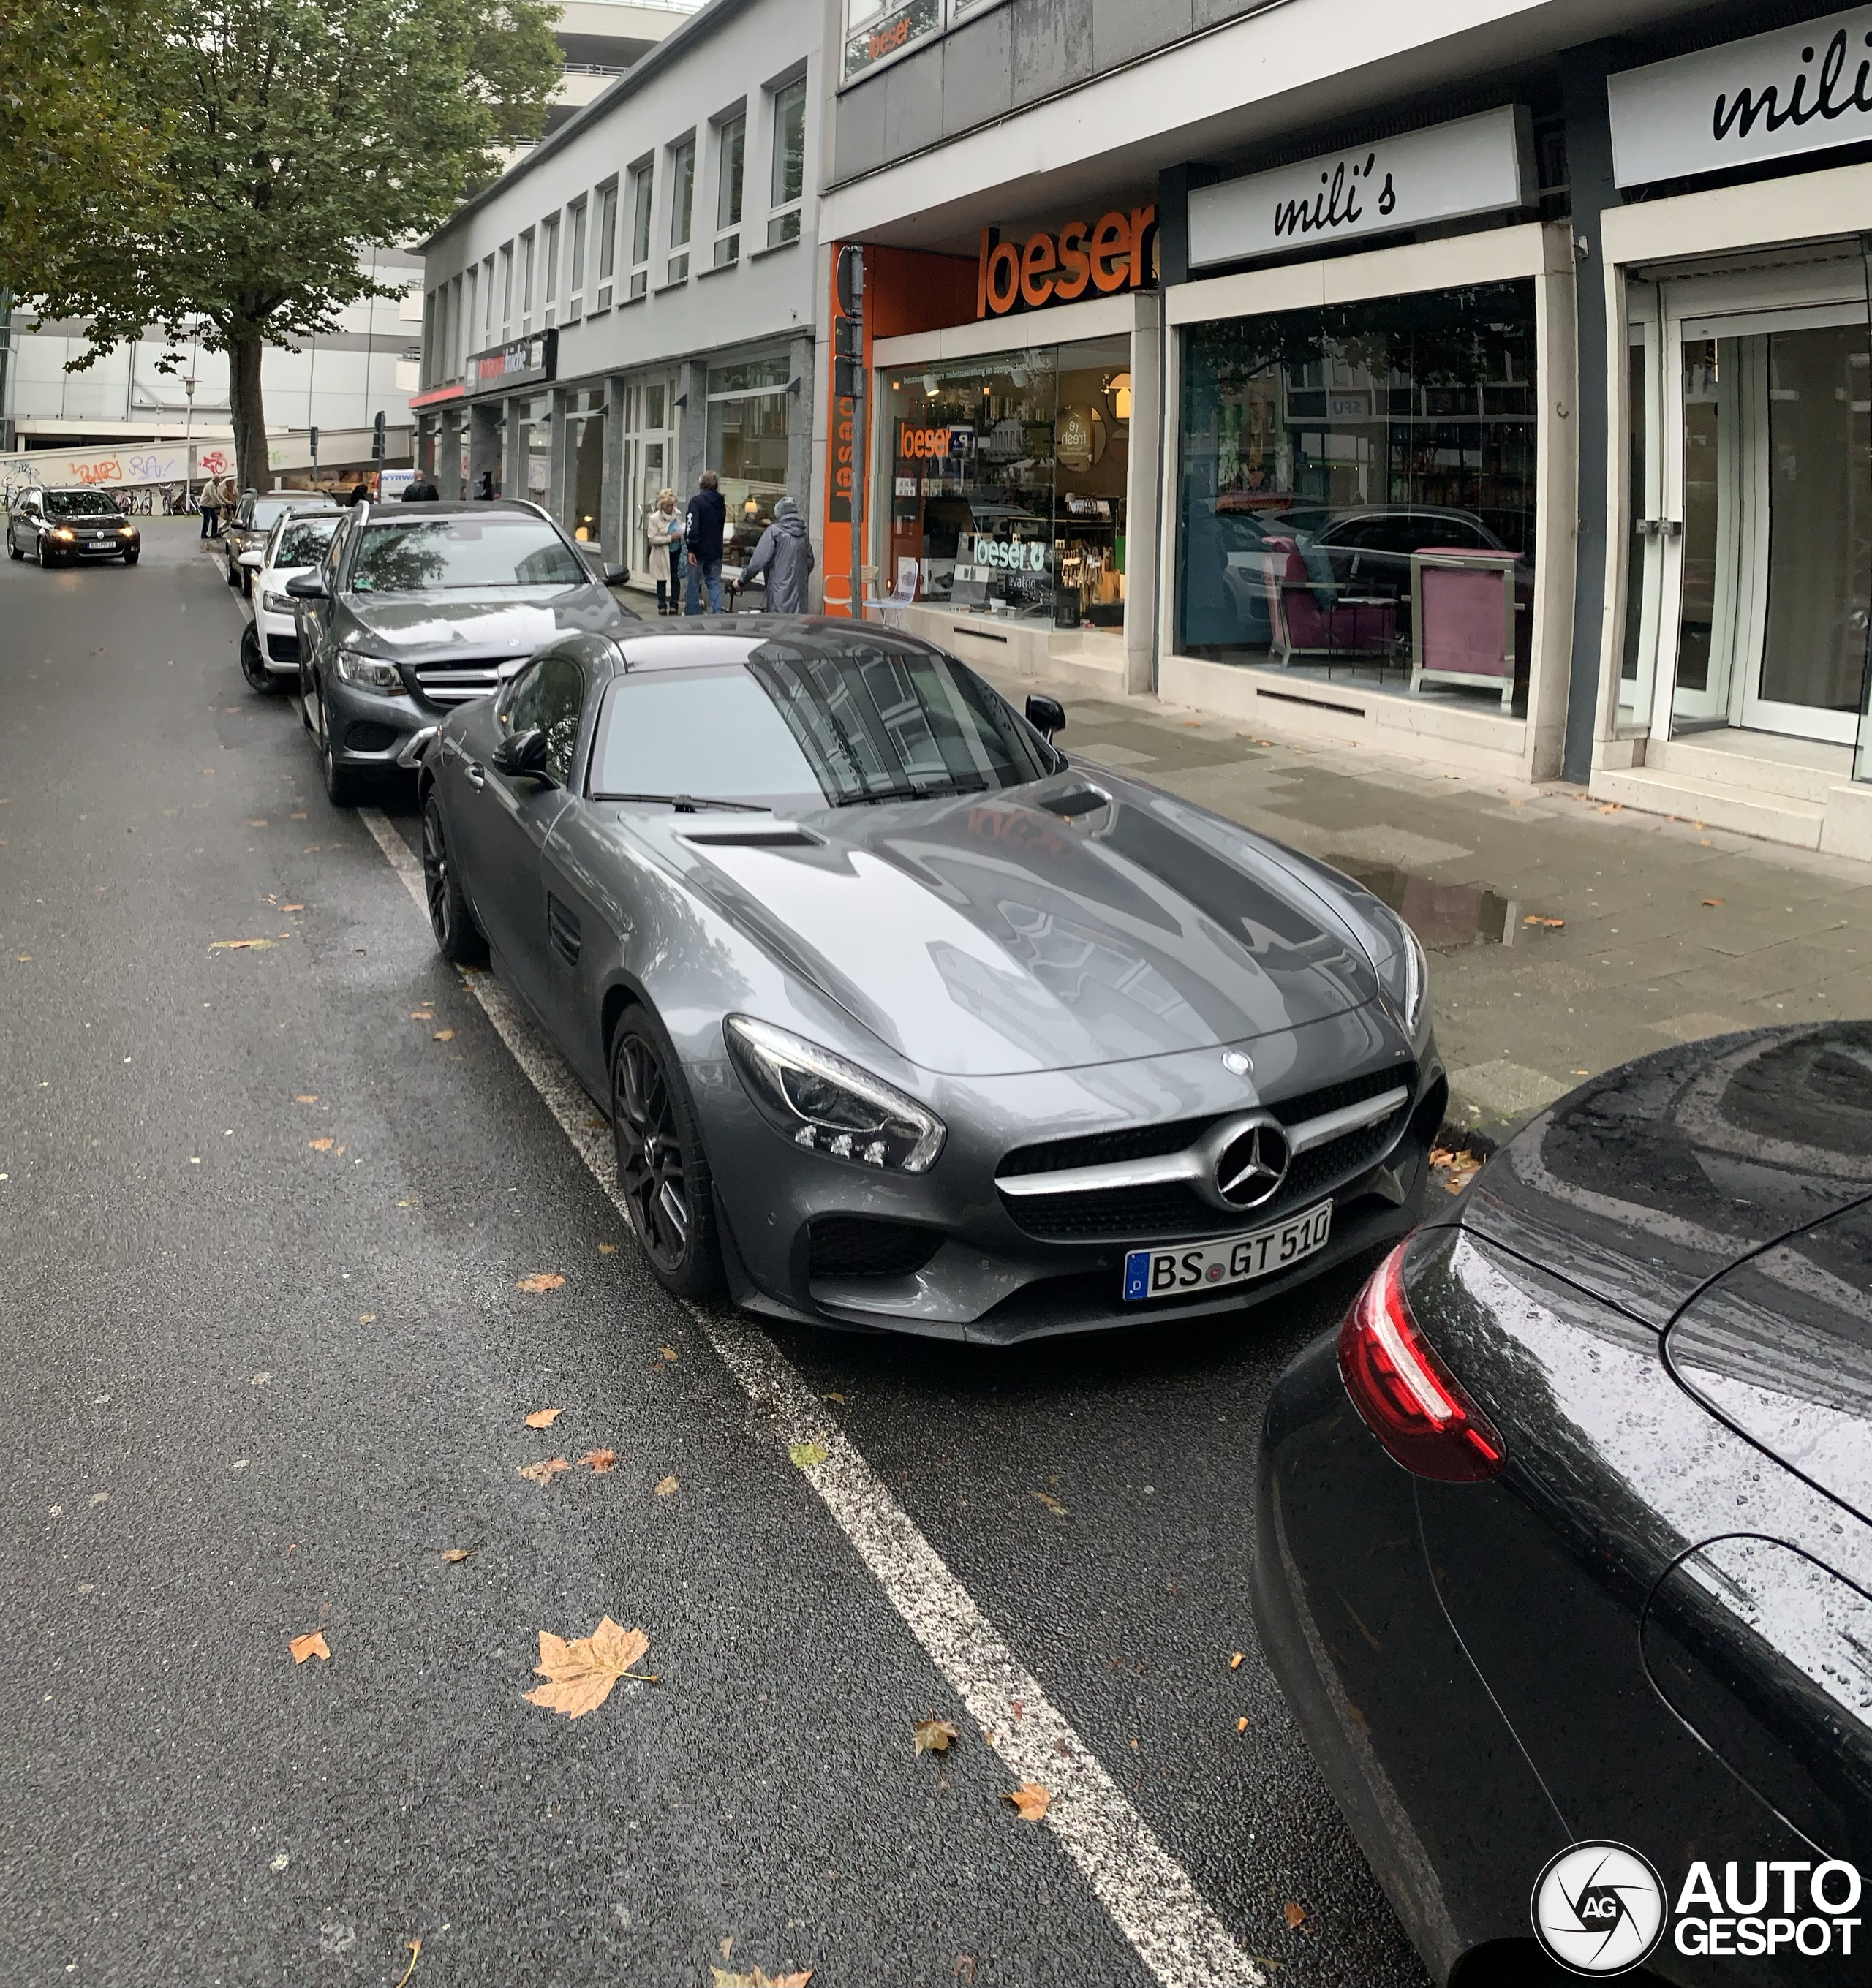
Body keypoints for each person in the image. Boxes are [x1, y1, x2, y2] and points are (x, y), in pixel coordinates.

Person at [739, 496, 815, 614]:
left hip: (779, 596)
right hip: (800, 599)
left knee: (779, 628)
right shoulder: (803, 534)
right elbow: (810, 562)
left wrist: (742, 580)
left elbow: (758, 562)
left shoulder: (774, 531)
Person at [684, 469, 726, 616]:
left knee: (693, 584)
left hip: (698, 551)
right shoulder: (721, 503)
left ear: (701, 485)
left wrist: (691, 549)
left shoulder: (696, 502)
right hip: (716, 550)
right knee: (714, 584)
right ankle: (718, 613)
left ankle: (692, 614)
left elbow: (691, 527)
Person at [645, 487, 682, 616]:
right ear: (662, 504)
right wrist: (670, 538)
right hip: (662, 553)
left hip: (676, 551)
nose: (670, 508)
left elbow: (681, 527)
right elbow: (652, 538)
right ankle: (661, 605)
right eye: (668, 505)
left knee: (675, 579)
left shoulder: (677, 514)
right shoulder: (654, 519)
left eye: (672, 505)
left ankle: (674, 605)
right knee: (661, 580)